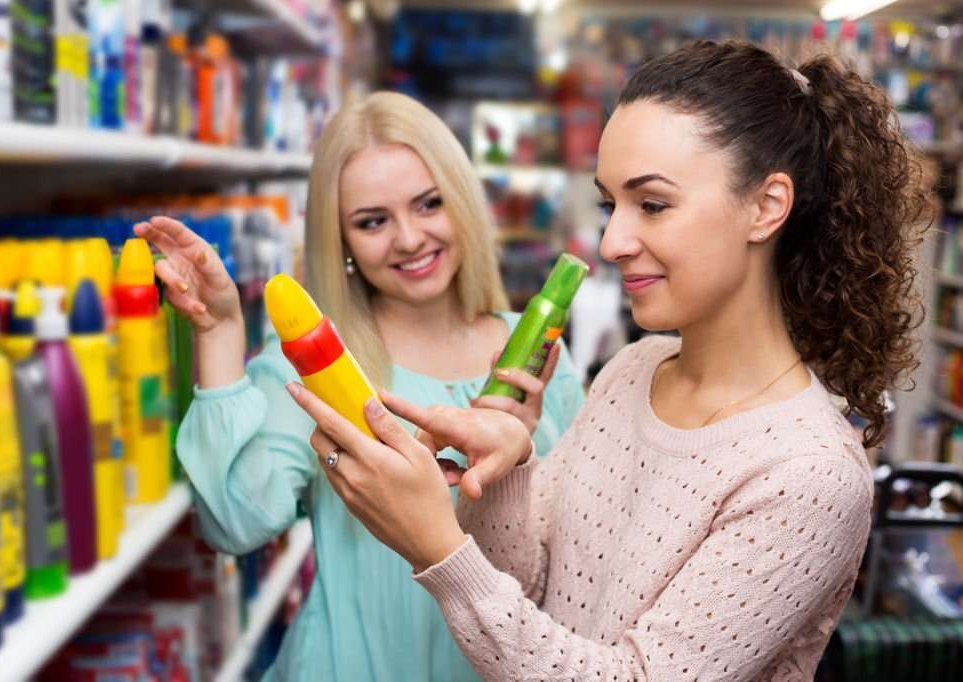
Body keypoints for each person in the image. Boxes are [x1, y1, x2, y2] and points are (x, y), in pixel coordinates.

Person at [288, 41, 933, 680]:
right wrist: (509, 466)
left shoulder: (808, 476)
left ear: (765, 207)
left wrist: (434, 544)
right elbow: (535, 586)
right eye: (610, 204)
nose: (611, 241)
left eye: (651, 204)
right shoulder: (634, 369)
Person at [136, 91, 585, 681]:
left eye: (428, 204)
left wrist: (517, 454)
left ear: (463, 202)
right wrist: (219, 331)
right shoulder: (318, 364)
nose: (408, 239)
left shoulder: (535, 356)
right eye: (372, 221)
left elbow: (579, 551)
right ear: (341, 241)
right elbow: (235, 525)